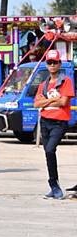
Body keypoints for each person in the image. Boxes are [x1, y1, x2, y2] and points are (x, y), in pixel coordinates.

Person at [34, 50, 74, 200]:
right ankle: (53, 185)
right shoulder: (43, 84)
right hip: (45, 121)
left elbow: (63, 102)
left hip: (59, 122)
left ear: (59, 64)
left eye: (55, 62)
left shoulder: (66, 81)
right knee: (48, 153)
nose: (52, 65)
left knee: (50, 149)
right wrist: (52, 100)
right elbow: (36, 103)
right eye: (49, 62)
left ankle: (54, 184)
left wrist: (46, 101)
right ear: (46, 64)